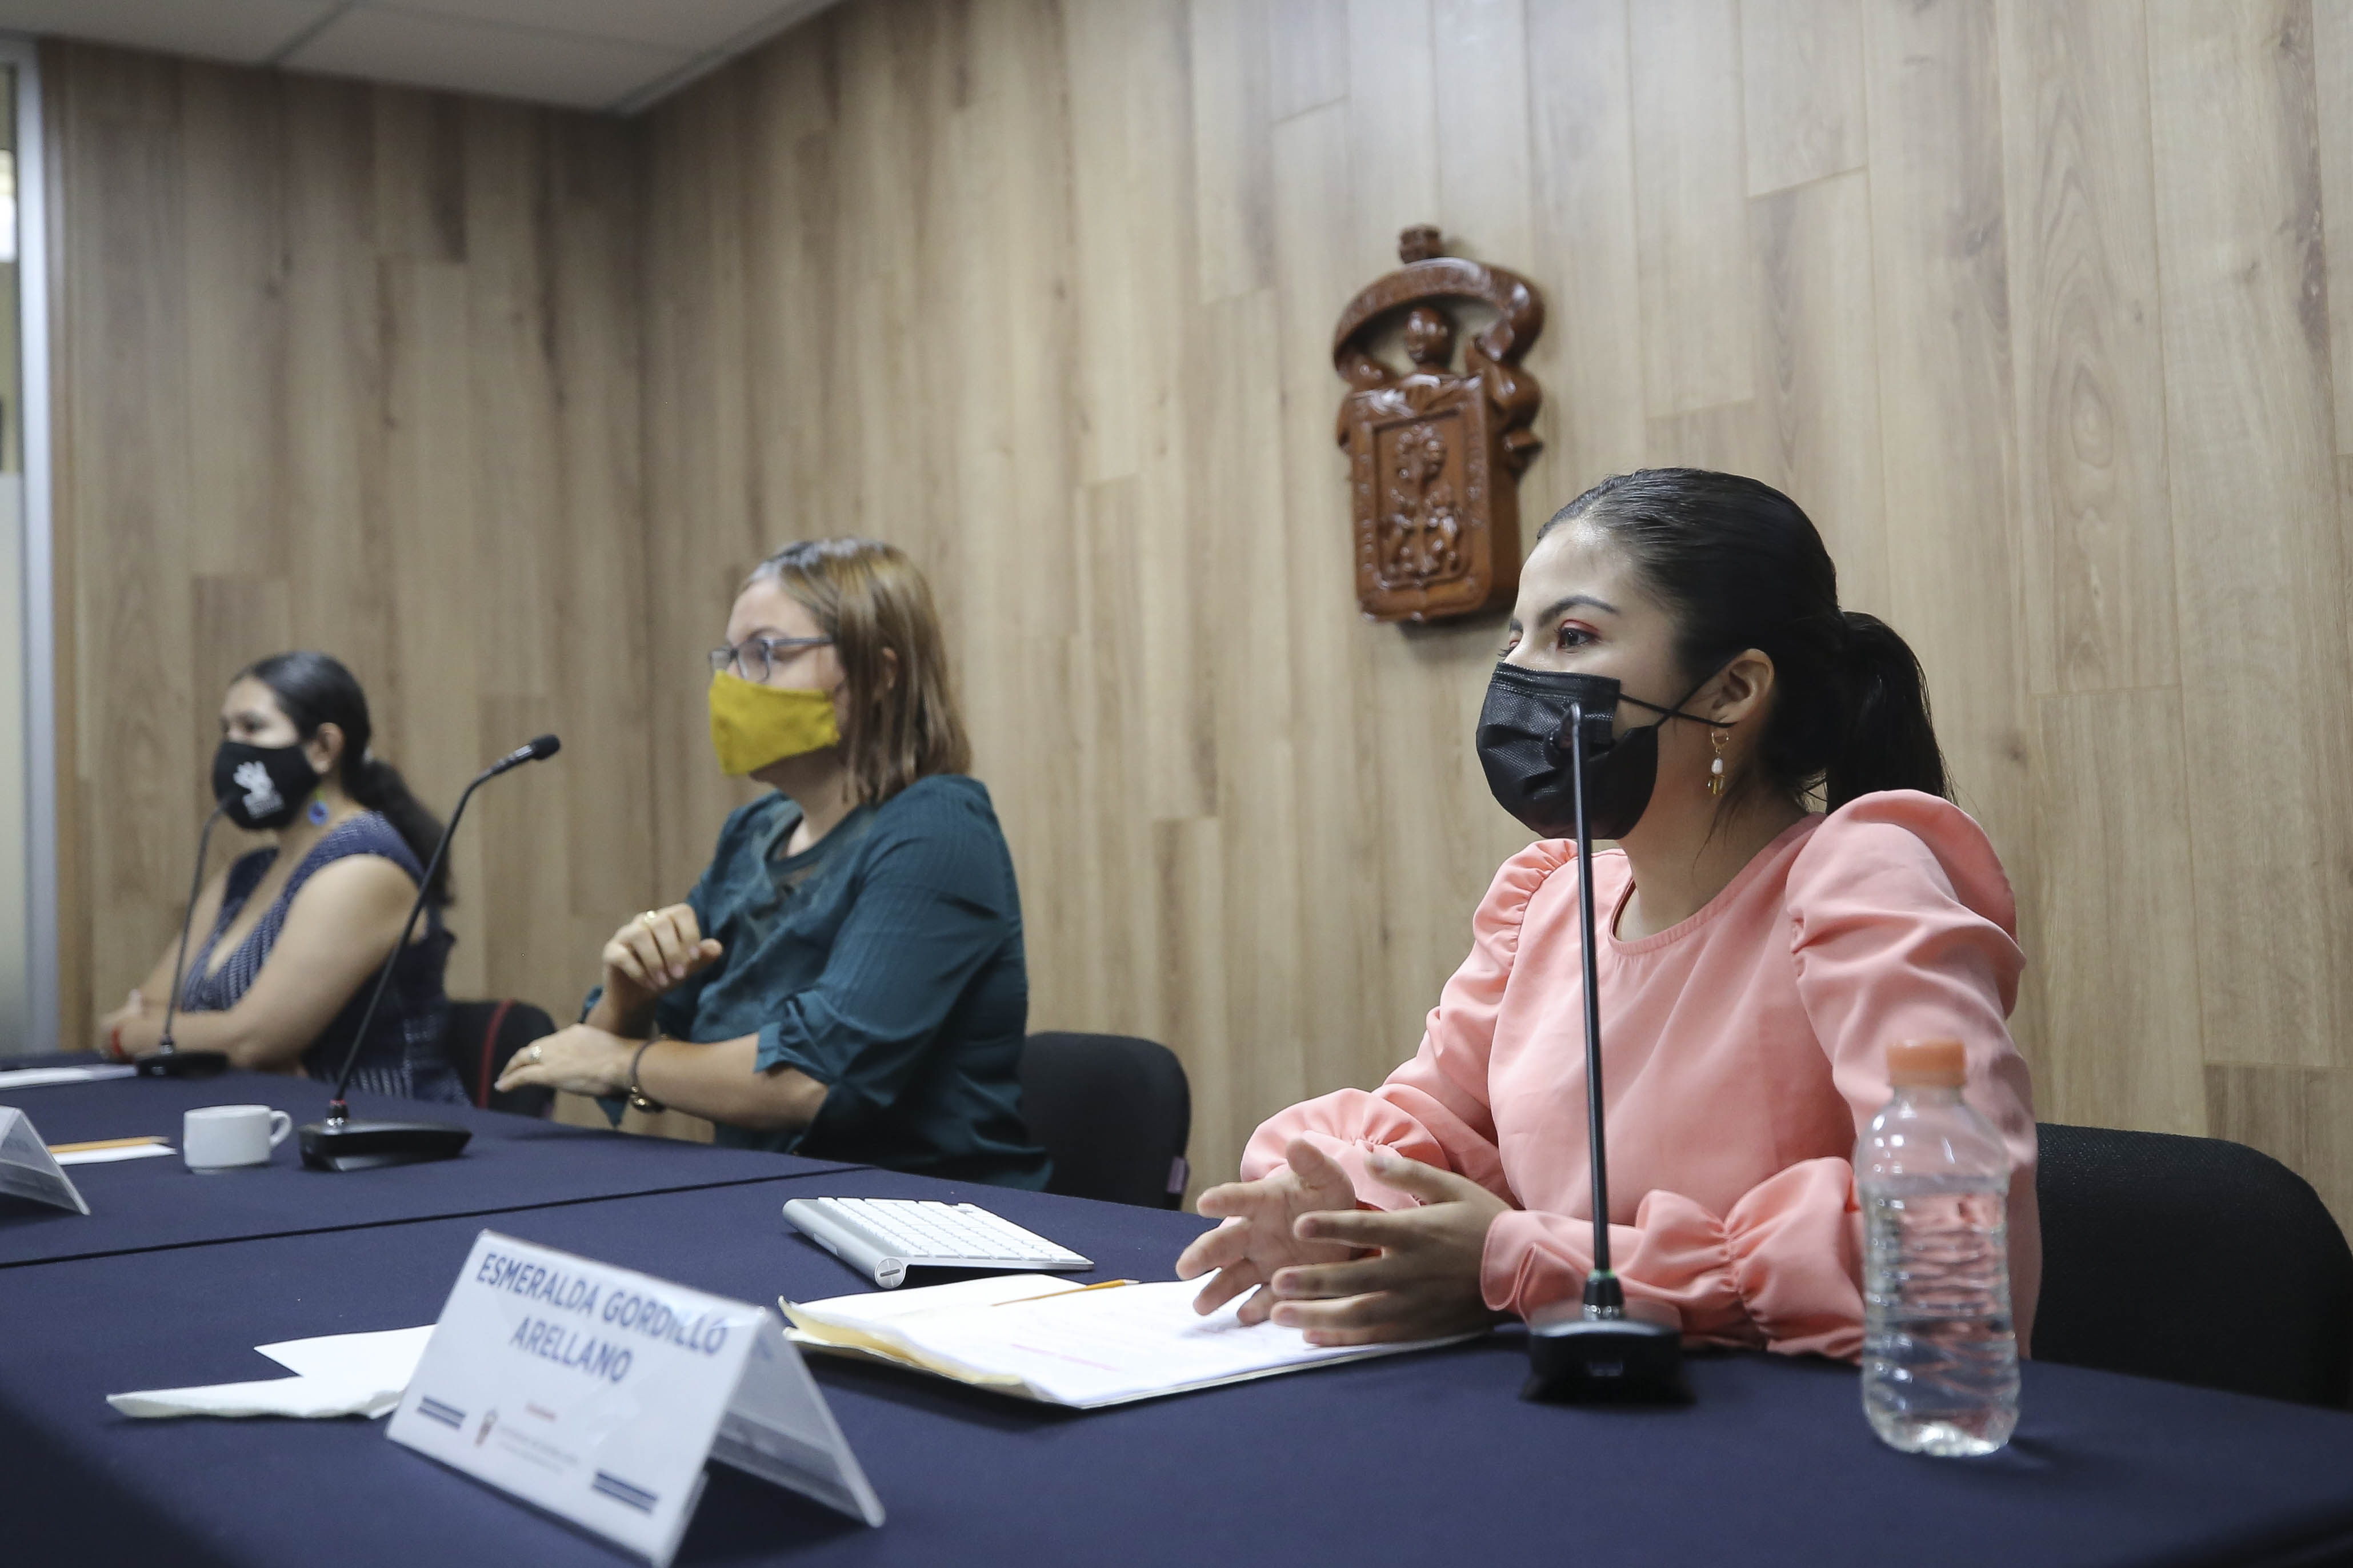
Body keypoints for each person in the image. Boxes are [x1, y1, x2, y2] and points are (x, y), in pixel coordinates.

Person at [1176, 468, 2039, 1358]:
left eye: (1572, 636)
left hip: (1796, 1419)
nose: (1517, 674)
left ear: (1730, 690)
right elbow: (1425, 1132)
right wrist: (1341, 1212)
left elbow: (1949, 1242)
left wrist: (1528, 1261)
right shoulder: (1549, 899)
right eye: (1514, 639)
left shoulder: (1859, 879)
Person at [497, 538, 1049, 1187]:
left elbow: (811, 1079)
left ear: (880, 675)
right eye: (729, 658)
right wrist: (629, 992)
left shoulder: (937, 827)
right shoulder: (754, 832)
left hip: (930, 1220)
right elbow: (616, 1047)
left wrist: (623, 1061)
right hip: (774, 1201)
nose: (732, 684)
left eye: (765, 654)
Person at [100, 652, 462, 1101]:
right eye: (226, 730)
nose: (231, 748)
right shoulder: (246, 874)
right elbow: (155, 1005)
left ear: (323, 748)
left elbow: (250, 1041)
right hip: (269, 1116)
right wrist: (166, 1035)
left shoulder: (363, 866)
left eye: (252, 727)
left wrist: (135, 1036)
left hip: (381, 1125)